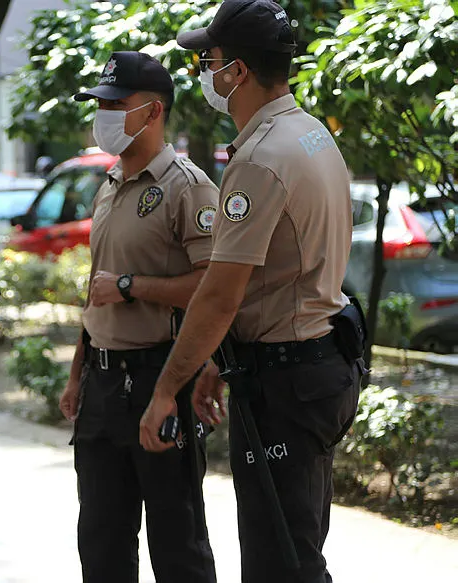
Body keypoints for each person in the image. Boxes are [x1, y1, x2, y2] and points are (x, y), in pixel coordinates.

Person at [139, 2, 363, 582]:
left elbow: (220, 294)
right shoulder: (308, 133)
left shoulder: (261, 157)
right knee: (299, 547)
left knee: (279, 562)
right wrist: (221, 357)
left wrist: (168, 387)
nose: (204, 72)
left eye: (207, 59)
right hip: (317, 361)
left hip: (286, 382)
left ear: (236, 71)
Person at [60, 51, 219, 583]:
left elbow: (213, 287)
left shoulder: (187, 186)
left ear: (152, 111)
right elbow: (96, 287)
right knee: (101, 543)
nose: (102, 114)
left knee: (178, 544)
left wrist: (133, 288)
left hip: (159, 376)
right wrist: (78, 373)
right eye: (99, 104)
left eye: (115, 104)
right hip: (102, 386)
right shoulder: (110, 183)